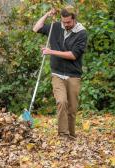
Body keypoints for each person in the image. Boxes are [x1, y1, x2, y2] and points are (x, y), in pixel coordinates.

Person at [32, 5, 87, 140]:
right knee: (61, 102)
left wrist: (50, 51)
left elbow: (73, 55)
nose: (66, 24)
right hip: (57, 73)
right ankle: (63, 135)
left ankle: (71, 135)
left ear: (74, 19)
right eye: (64, 22)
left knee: (72, 109)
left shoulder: (81, 33)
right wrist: (47, 14)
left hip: (73, 75)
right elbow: (36, 28)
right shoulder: (55, 27)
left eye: (68, 22)